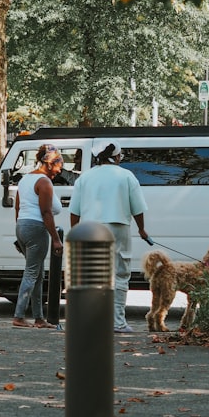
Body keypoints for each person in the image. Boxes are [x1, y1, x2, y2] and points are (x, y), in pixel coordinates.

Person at [69, 141, 149, 333]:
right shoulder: (126, 176)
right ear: (117, 157)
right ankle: (118, 322)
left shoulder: (85, 177)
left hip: (89, 228)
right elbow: (137, 208)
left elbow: (74, 210)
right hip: (118, 227)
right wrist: (142, 230)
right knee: (120, 274)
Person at [12, 143, 65, 328]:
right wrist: (56, 240)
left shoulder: (25, 179)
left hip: (22, 225)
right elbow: (46, 213)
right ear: (50, 164)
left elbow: (17, 207)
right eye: (59, 166)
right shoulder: (44, 182)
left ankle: (39, 318)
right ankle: (18, 316)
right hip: (36, 228)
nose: (60, 171)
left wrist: (19, 230)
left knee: (38, 274)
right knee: (32, 273)